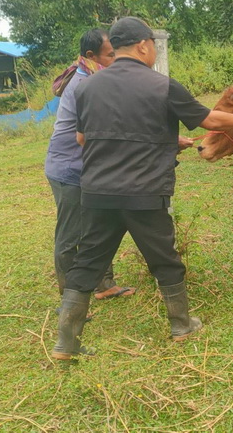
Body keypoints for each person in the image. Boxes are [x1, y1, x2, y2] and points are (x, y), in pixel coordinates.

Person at [51, 16, 233, 360]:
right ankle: (181, 324)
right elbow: (209, 119)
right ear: (143, 45)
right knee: (165, 260)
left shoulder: (86, 87)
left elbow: (82, 138)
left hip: (99, 193)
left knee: (87, 261)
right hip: (144, 192)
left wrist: (160, 142)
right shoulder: (162, 86)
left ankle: (66, 342)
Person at [45, 29, 136, 308]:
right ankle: (69, 302)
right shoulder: (84, 85)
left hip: (89, 167)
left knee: (99, 226)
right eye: (111, 55)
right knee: (70, 236)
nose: (116, 59)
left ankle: (104, 284)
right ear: (91, 56)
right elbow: (93, 135)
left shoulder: (93, 78)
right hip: (69, 169)